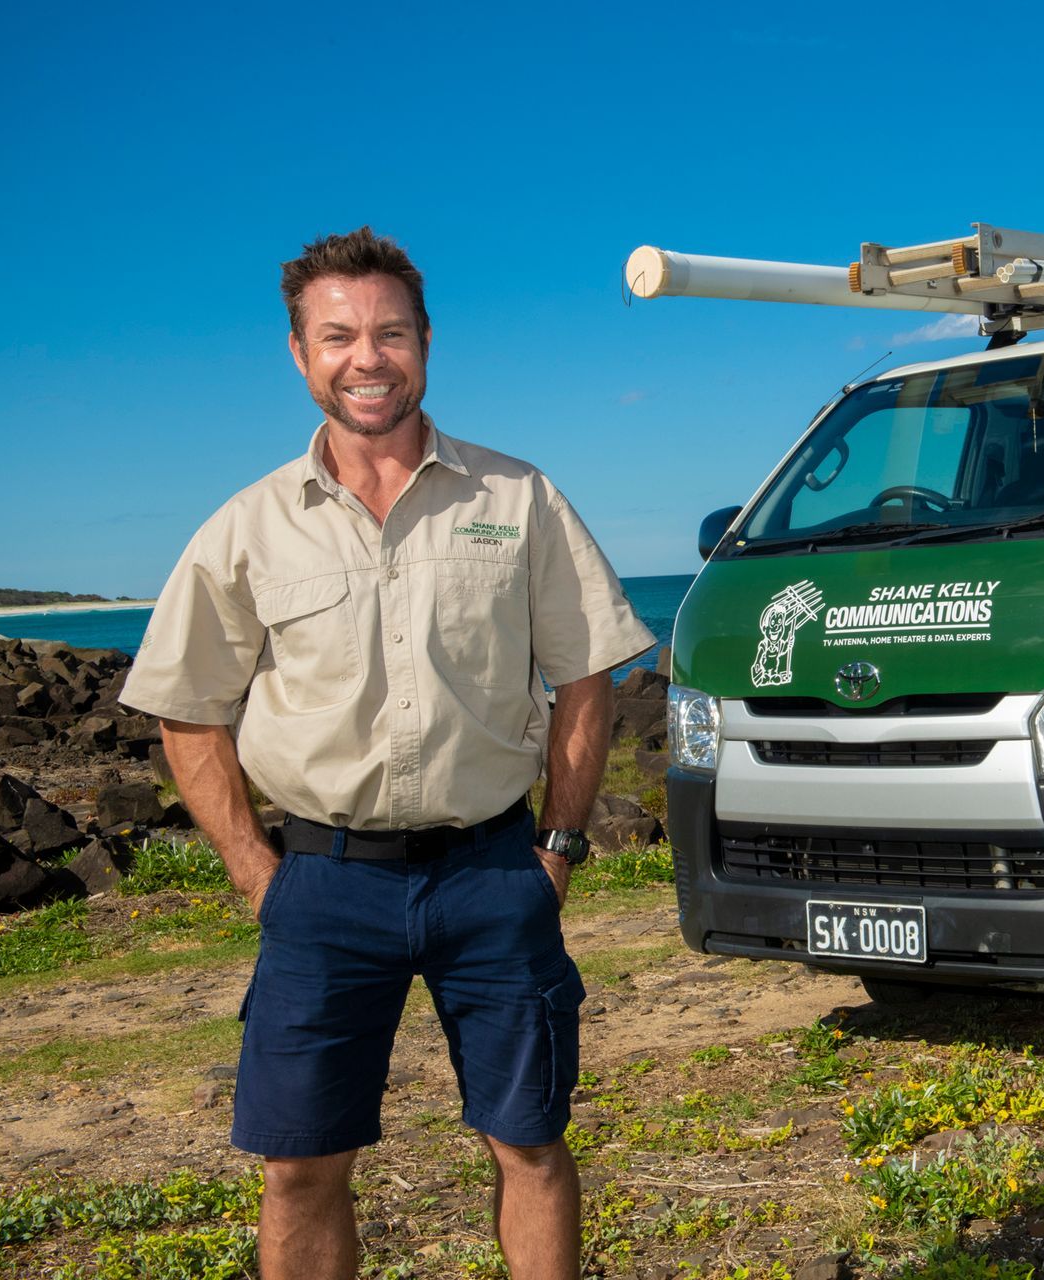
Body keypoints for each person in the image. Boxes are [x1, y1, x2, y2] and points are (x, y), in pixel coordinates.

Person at [121, 227, 655, 1279]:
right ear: (299, 354)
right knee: (299, 1165)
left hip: (495, 873)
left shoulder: (520, 499)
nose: (368, 357)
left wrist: (557, 847)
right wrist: (257, 873)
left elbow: (586, 675)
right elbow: (186, 709)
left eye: (390, 332)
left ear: (425, 342)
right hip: (322, 886)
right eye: (339, 336)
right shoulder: (247, 527)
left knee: (532, 1142)